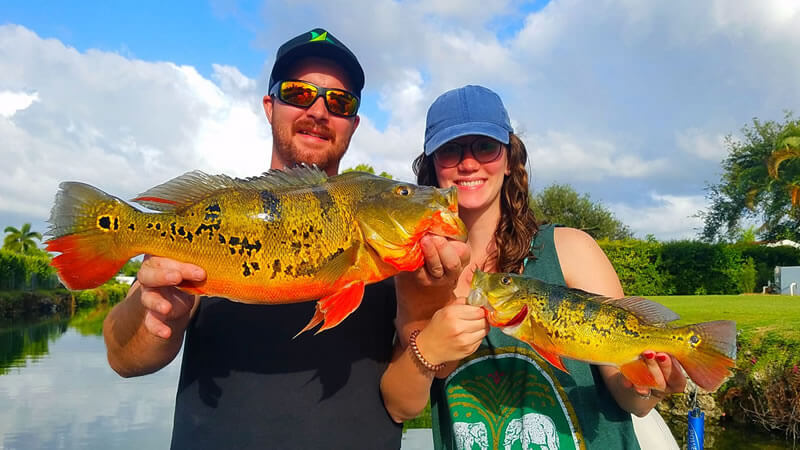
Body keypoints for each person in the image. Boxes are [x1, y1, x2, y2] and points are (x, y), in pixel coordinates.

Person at [102, 28, 403, 449]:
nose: (318, 111)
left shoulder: (395, 254)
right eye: (298, 93)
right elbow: (123, 358)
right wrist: (156, 318)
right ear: (270, 105)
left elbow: (413, 388)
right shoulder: (220, 217)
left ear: (353, 123)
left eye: (339, 102)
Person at [380, 85, 686, 449]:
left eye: (485, 147)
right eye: (450, 150)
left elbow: (630, 398)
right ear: (432, 166)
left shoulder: (572, 250)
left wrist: (648, 385)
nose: (468, 162)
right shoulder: (418, 273)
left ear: (510, 160)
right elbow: (401, 406)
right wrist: (427, 349)